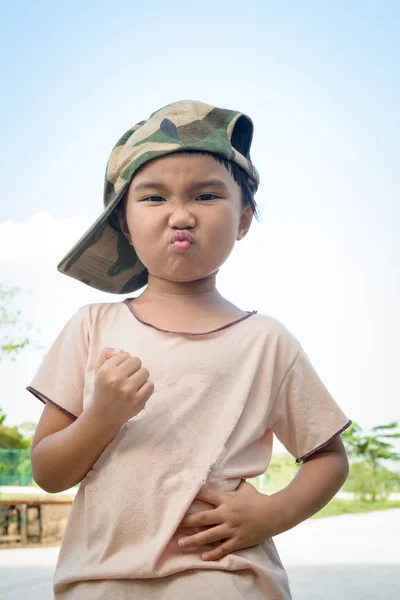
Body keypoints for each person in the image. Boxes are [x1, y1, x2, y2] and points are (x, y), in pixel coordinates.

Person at [28, 100, 351, 600]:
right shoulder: (92, 327)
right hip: (98, 581)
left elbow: (329, 457)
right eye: (154, 198)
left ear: (243, 219)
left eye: (206, 195)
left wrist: (273, 512)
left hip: (225, 577)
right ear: (122, 224)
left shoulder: (267, 342)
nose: (181, 214)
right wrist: (101, 417)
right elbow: (49, 472)